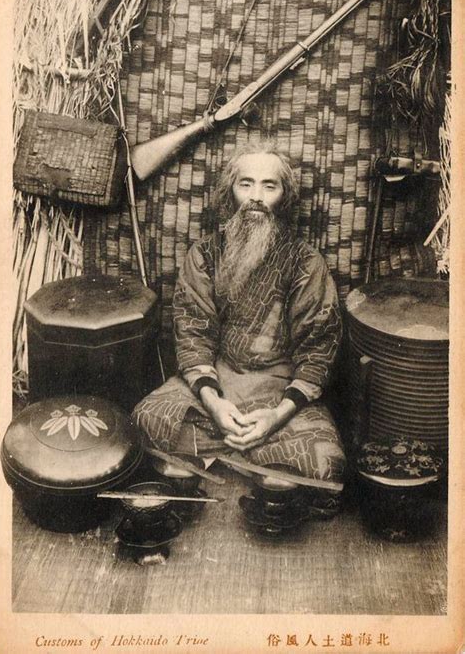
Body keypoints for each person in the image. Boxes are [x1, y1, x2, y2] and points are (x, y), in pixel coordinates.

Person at [133, 140, 346, 517]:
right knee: (147, 417)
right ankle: (253, 454)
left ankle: (224, 451)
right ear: (229, 192)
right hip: (217, 383)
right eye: (245, 184)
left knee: (327, 461)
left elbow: (319, 349)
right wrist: (215, 404)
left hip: (279, 392)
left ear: (286, 196)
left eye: (270, 186)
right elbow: (192, 334)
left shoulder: (306, 262)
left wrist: (276, 416)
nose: (257, 197)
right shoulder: (204, 254)